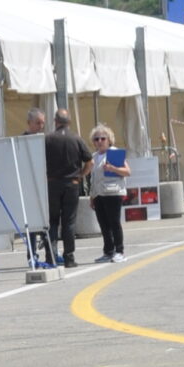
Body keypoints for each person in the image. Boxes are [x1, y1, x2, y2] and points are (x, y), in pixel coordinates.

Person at [42, 108, 89, 268]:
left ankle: (51, 256)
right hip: (72, 184)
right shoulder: (76, 138)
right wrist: (81, 174)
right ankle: (69, 257)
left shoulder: (47, 139)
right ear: (69, 122)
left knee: (52, 221)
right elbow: (89, 161)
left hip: (52, 183)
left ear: (55, 121)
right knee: (68, 222)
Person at [87, 125, 128, 262]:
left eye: (102, 138)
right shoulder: (94, 157)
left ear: (109, 140)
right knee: (103, 224)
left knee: (114, 223)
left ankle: (119, 250)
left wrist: (113, 168)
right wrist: (92, 196)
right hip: (99, 194)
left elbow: (127, 172)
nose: (99, 141)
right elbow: (93, 179)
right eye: (96, 139)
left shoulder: (114, 153)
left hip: (113, 192)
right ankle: (108, 251)